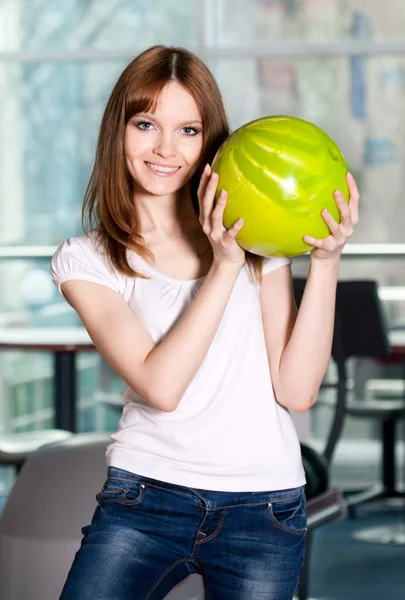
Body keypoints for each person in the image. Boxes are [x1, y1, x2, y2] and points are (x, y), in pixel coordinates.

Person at [50, 45, 359, 600]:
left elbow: (297, 389)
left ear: (211, 141)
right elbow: (161, 386)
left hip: (263, 504)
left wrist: (327, 261)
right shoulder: (86, 260)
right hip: (146, 497)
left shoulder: (260, 241)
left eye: (188, 130)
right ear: (118, 132)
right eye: (146, 124)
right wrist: (224, 267)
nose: (165, 148)